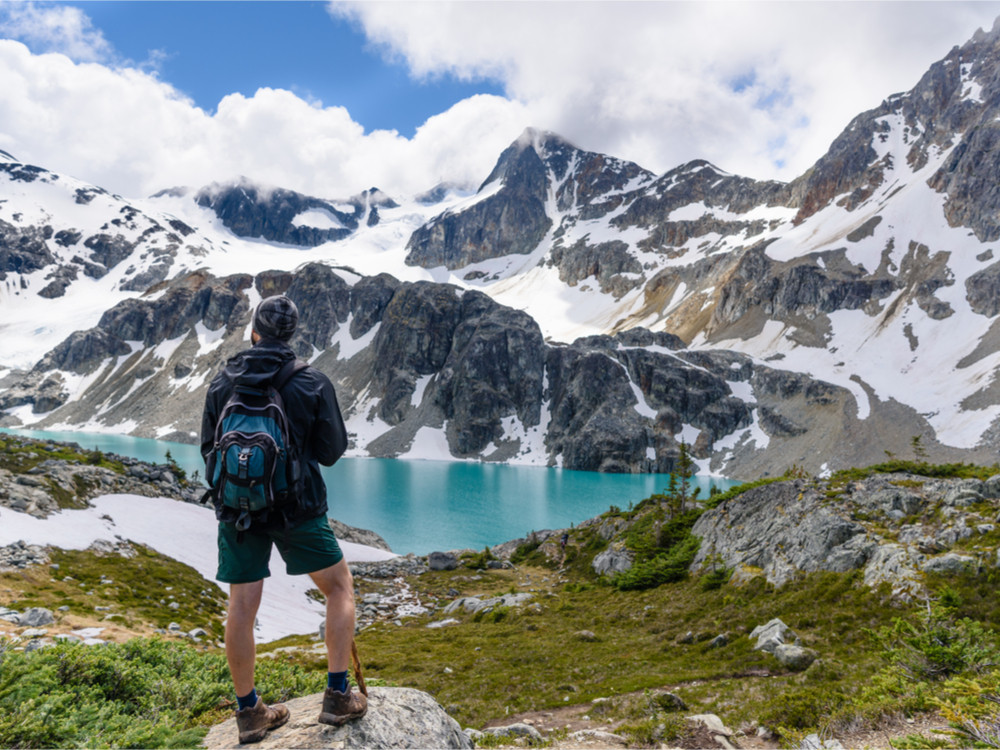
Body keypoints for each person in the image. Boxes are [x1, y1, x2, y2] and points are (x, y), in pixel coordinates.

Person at [201, 295, 366, 744]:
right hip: (299, 508)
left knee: (241, 605)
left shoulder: (222, 383)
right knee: (338, 588)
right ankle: (337, 696)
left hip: (238, 512)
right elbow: (331, 453)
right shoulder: (311, 382)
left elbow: (208, 452)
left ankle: (250, 712)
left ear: (254, 330)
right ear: (291, 334)